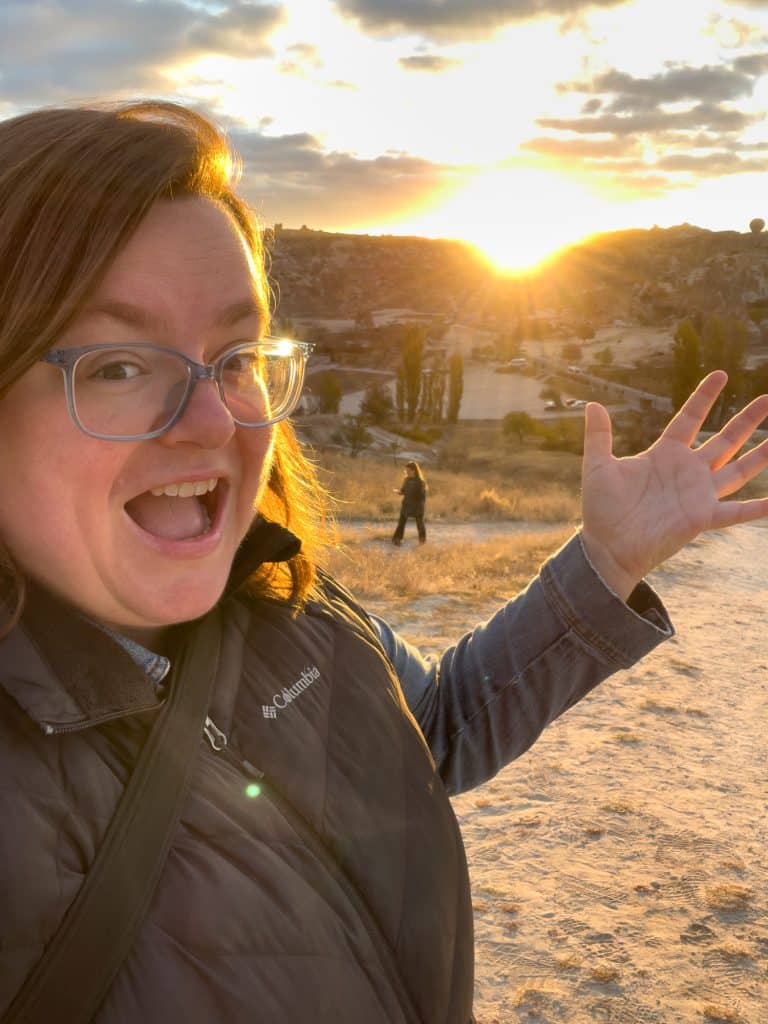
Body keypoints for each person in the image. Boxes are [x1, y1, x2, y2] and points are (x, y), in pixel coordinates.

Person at [2, 101, 768, 1024]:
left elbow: (432, 732)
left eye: (238, 356)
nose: (215, 421)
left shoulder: (290, 601)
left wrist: (606, 562)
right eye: (120, 365)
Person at [392, 459, 427, 545]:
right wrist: (399, 492)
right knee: (401, 523)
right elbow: (403, 491)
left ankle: (422, 541)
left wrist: (414, 499)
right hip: (406, 505)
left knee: (420, 524)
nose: (407, 472)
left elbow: (422, 497)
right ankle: (397, 540)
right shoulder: (406, 480)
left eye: (408, 470)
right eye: (406, 470)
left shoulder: (420, 482)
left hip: (417, 507)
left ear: (414, 470)